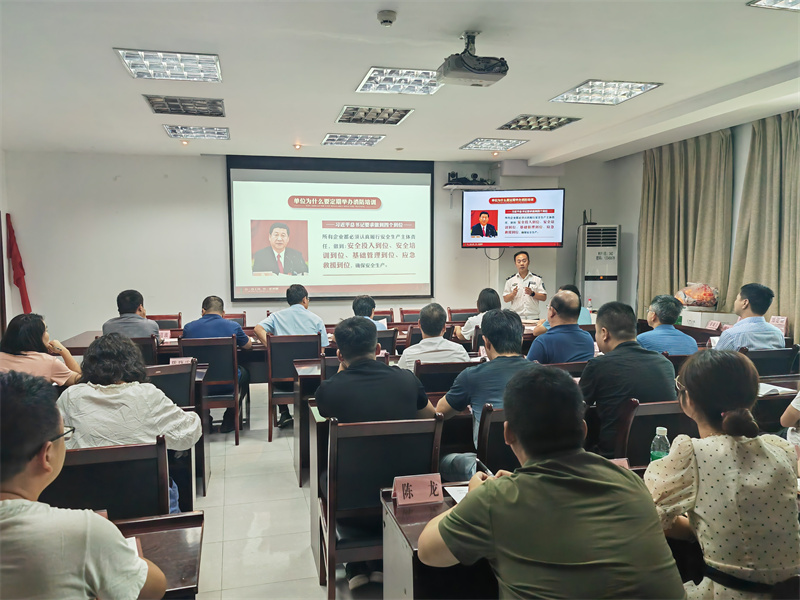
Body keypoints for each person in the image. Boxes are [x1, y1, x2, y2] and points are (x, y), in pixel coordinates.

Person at [418, 366, 685, 599]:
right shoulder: (630, 482)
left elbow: (428, 552)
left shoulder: (494, 500)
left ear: (507, 433)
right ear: (583, 429)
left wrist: (475, 495)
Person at [645, 350, 800, 598]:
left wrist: (698, 527)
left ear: (688, 400)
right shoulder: (780, 450)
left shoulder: (693, 454)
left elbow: (649, 517)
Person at [0, 371, 167, 599]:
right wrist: (112, 546)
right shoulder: (82, 532)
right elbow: (154, 587)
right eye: (64, 436)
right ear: (47, 455)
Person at [316, 317, 436, 589]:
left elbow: (325, 412)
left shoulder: (329, 390)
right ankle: (381, 560)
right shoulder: (407, 380)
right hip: (405, 491)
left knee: (326, 476)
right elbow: (431, 416)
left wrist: (341, 371)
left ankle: (356, 563)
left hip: (351, 497)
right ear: (379, 348)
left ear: (339, 355)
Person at [57, 333, 202, 513]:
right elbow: (189, 434)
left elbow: (55, 443)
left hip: (89, 507)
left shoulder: (71, 396)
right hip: (148, 504)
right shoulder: (146, 394)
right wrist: (191, 415)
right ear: (133, 363)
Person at [435, 309, 531, 481]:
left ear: (486, 342)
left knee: (442, 460)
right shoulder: (544, 374)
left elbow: (440, 412)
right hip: (533, 469)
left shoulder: (472, 376)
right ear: (521, 338)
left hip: (488, 473)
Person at [580, 302, 676, 458]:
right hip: (658, 455)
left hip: (611, 458)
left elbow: (576, 408)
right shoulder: (664, 363)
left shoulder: (598, 365)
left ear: (604, 333)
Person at [255, 284, 328, 428]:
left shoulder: (276, 317)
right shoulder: (316, 320)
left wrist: (271, 346)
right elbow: (322, 352)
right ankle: (309, 414)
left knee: (278, 371)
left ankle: (284, 413)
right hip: (309, 379)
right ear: (304, 299)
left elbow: (258, 329)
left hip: (282, 380)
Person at [183, 295, 252, 433]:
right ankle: (230, 417)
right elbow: (248, 346)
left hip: (199, 383)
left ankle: (205, 419)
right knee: (246, 373)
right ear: (223, 313)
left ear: (203, 311)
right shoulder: (233, 326)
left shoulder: (188, 328)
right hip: (229, 383)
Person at [0, 313, 81, 386]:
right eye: (46, 331)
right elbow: (81, 381)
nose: (48, 334)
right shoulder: (48, 362)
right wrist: (63, 351)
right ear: (36, 337)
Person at [525, 290, 594, 364]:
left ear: (552, 312)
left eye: (548, 307)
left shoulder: (542, 342)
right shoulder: (588, 339)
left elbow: (527, 370)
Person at [397, 303, 470, 370]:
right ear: (444, 327)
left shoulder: (408, 355)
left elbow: (400, 378)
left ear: (419, 324)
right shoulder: (459, 351)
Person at [716, 283, 785, 351]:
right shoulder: (778, 334)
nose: (735, 302)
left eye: (736, 299)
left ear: (745, 303)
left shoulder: (731, 335)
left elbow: (716, 358)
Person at [502, 251, 547, 320]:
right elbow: (505, 299)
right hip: (516, 318)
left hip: (533, 318)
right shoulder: (510, 281)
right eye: (519, 261)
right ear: (515, 264)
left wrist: (532, 293)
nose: (521, 264)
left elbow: (544, 297)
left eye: (524, 261)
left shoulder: (537, 279)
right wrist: (512, 294)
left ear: (528, 262)